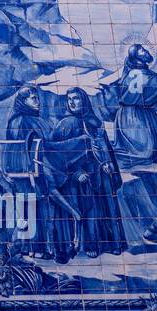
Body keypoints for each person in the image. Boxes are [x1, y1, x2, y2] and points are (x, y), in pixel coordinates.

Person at [45, 88, 126, 256]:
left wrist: (109, 165)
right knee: (90, 210)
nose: (72, 102)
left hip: (100, 174)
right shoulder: (65, 125)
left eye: (76, 98)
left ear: (84, 100)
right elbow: (55, 155)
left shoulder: (93, 121)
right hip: (79, 178)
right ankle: (91, 246)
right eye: (69, 99)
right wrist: (75, 173)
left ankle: (113, 243)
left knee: (107, 208)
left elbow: (105, 149)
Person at [102, 45, 157, 170]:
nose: (145, 51)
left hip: (136, 113)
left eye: (144, 49)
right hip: (134, 118)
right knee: (146, 152)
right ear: (137, 57)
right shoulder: (139, 74)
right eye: (141, 50)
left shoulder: (133, 71)